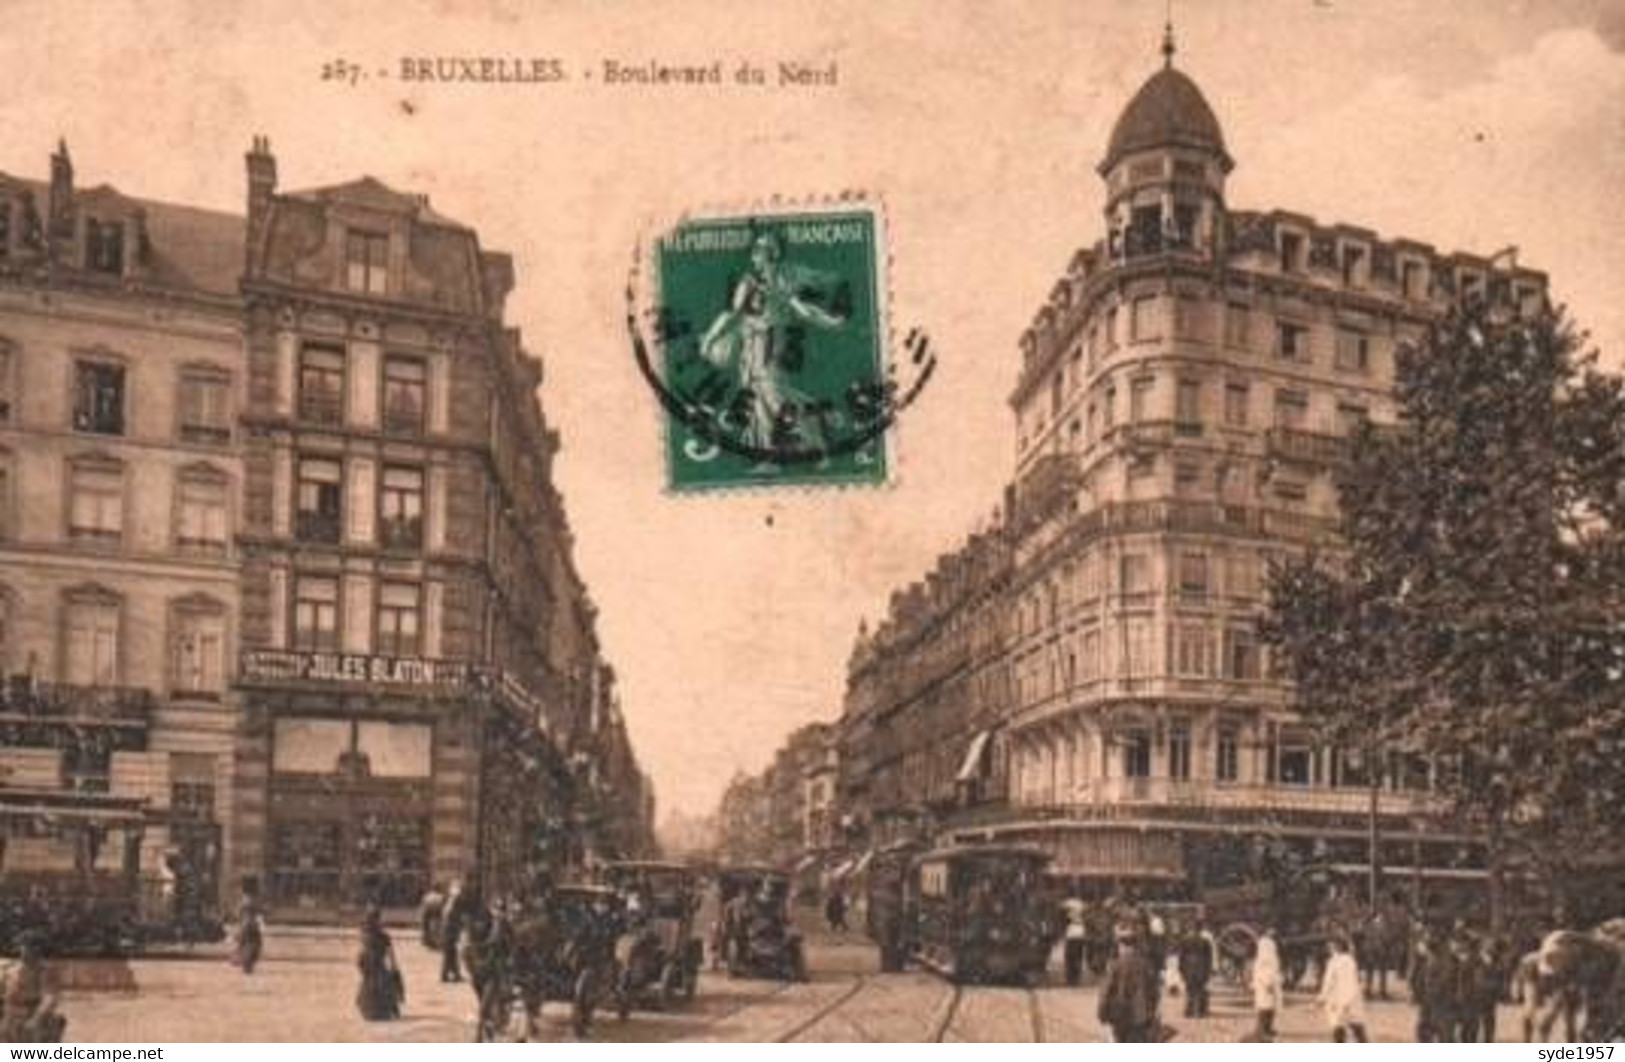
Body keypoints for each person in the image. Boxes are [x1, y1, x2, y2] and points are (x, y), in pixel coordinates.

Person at [1098, 924, 1159, 1043]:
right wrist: (1151, 1011)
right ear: (1135, 945)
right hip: (1141, 1015)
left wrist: (1102, 1013)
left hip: (1119, 1014)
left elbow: (1106, 992)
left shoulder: (1115, 965)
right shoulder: (1145, 964)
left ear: (1121, 945)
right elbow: (1154, 992)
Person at [0, 932, 65, 1042]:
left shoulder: (45, 971)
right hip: (9, 1018)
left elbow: (50, 997)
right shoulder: (9, 969)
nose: (26, 949)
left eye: (31, 946)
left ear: (38, 949)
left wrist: (36, 1019)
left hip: (31, 1018)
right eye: (23, 945)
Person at [356, 906, 404, 1021]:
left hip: (368, 969)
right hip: (379, 969)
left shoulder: (364, 935)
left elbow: (360, 956)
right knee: (388, 986)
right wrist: (396, 973)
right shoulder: (384, 937)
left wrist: (363, 969)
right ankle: (388, 1009)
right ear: (379, 920)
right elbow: (392, 958)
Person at [1318, 933, 1368, 1042]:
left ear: (1336, 947)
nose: (1329, 948)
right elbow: (1357, 979)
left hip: (1338, 998)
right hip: (1353, 998)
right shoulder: (1351, 960)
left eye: (1331, 946)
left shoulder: (1333, 962)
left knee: (1338, 1027)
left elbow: (1328, 982)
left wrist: (1322, 997)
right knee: (1357, 1026)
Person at [1251, 926, 1285, 1042]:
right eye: (1271, 929)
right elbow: (1266, 964)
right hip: (1266, 978)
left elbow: (1273, 962)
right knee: (1265, 1005)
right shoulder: (1265, 944)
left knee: (1271, 1005)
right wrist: (1268, 982)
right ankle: (1262, 1029)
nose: (1273, 932)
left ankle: (1268, 1027)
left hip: (1270, 976)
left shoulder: (1270, 943)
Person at [1178, 919, 1215, 1019]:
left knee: (1189, 989)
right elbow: (1209, 957)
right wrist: (1209, 970)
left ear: (1191, 928)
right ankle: (1197, 1011)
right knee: (1199, 989)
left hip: (1188, 966)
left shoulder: (1185, 940)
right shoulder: (1205, 941)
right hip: (1201, 966)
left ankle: (1188, 1010)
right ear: (1200, 929)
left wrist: (1181, 969)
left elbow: (1181, 956)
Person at [234, 884, 264, 975]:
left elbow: (237, 914)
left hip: (245, 925)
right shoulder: (254, 902)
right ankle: (247, 964)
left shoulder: (243, 903)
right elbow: (259, 914)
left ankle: (246, 963)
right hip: (251, 925)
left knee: (245, 944)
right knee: (253, 944)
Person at [1061, 895, 1088, 986]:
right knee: (1077, 957)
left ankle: (1071, 979)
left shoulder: (1068, 902)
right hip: (1080, 932)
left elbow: (1061, 909)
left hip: (1071, 933)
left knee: (1070, 957)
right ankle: (1075, 979)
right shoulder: (1082, 904)